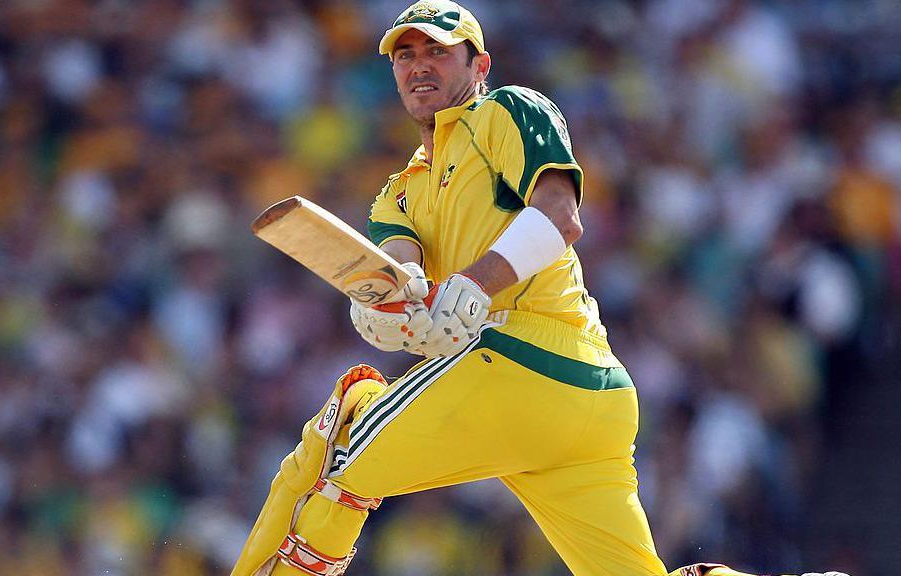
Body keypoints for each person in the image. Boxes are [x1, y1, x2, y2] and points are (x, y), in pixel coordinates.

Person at [231, 2, 849, 575]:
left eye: (438, 52)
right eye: (405, 55)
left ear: (481, 64)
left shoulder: (504, 111)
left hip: (525, 359)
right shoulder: (400, 190)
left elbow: (560, 215)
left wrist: (471, 286)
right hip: (589, 400)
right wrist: (386, 309)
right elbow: (396, 267)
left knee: (342, 453)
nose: (420, 66)